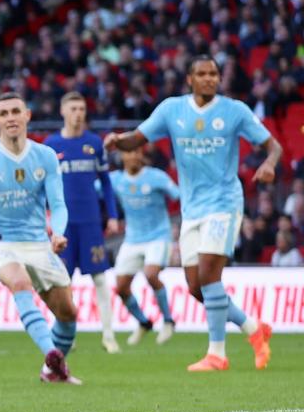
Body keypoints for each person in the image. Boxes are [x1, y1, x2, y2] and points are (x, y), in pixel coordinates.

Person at [105, 55, 281, 372]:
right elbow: (137, 138)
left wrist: (268, 164)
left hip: (224, 203)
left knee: (210, 276)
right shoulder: (172, 109)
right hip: (192, 209)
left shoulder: (234, 110)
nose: (209, 79)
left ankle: (217, 354)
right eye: (202, 74)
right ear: (190, 79)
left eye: (213, 73)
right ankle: (254, 328)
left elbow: (274, 146)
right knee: (196, 287)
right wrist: (118, 141)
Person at [0, 92, 82, 385]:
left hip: (38, 243)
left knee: (68, 314)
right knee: (19, 282)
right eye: (3, 114)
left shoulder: (45, 157)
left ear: (27, 115)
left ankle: (52, 370)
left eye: (15, 111)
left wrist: (59, 232)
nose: (10, 118)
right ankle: (51, 353)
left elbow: (58, 204)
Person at [45, 91, 121, 354]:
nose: (78, 113)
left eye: (82, 108)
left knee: (100, 279)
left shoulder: (94, 144)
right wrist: (44, 217)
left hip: (90, 223)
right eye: (73, 108)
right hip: (62, 226)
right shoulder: (51, 145)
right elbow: (42, 186)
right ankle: (68, 335)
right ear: (63, 111)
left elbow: (107, 183)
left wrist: (111, 215)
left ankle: (109, 335)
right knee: (63, 282)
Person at [109, 147, 179, 345]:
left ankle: (168, 320)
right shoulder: (115, 179)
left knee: (151, 274)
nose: (133, 156)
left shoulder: (156, 177)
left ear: (142, 156)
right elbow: (94, 188)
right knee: (121, 287)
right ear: (122, 155)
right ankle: (143, 322)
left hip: (158, 236)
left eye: (137, 152)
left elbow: (177, 194)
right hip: (132, 239)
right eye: (129, 152)